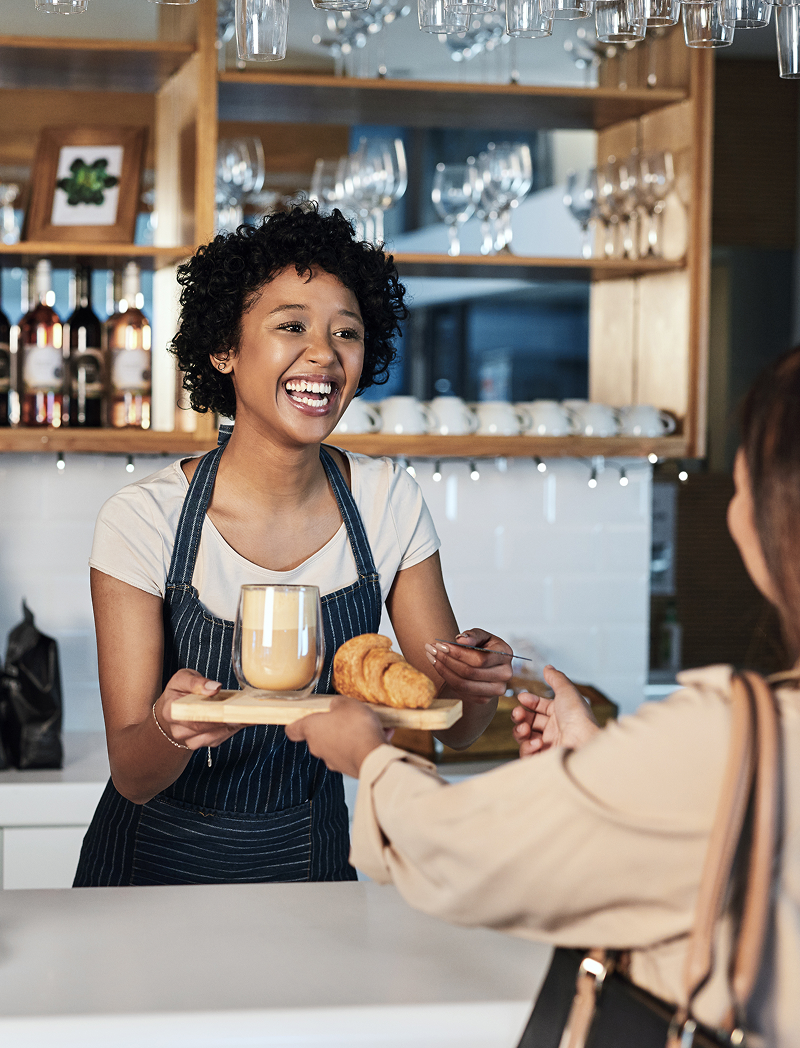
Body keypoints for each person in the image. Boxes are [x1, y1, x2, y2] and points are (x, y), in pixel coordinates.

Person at [289, 331, 800, 1047]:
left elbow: (464, 854)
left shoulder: (733, 738)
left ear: (796, 522)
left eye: (750, 472)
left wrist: (371, 759)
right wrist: (607, 765)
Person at [75, 205, 515, 886]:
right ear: (223, 348)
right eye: (291, 327)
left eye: (347, 333)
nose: (324, 354)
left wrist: (476, 684)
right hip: (149, 875)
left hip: (310, 866)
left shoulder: (385, 502)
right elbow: (133, 774)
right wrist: (172, 727)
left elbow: (448, 725)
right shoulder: (144, 520)